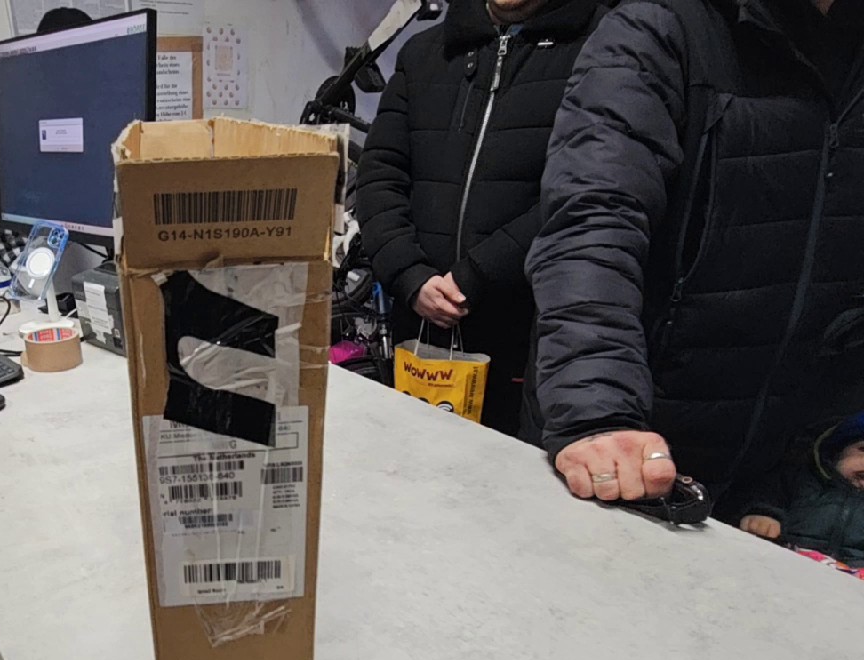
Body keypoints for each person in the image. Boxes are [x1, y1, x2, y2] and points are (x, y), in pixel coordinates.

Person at [524, 0, 864, 510]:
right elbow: (592, 222)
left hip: (779, 479)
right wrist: (601, 413)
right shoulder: (664, 26)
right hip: (625, 443)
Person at [356, 0, 607, 436]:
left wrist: (477, 275)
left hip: (530, 338)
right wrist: (410, 276)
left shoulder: (601, 48)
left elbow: (583, 188)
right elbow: (380, 175)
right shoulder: (425, 53)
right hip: (419, 331)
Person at [738, 412, 864, 568]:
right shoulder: (801, 479)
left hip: (851, 577)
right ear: (838, 452)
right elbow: (766, 495)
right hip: (784, 562)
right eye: (863, 450)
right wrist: (765, 515)